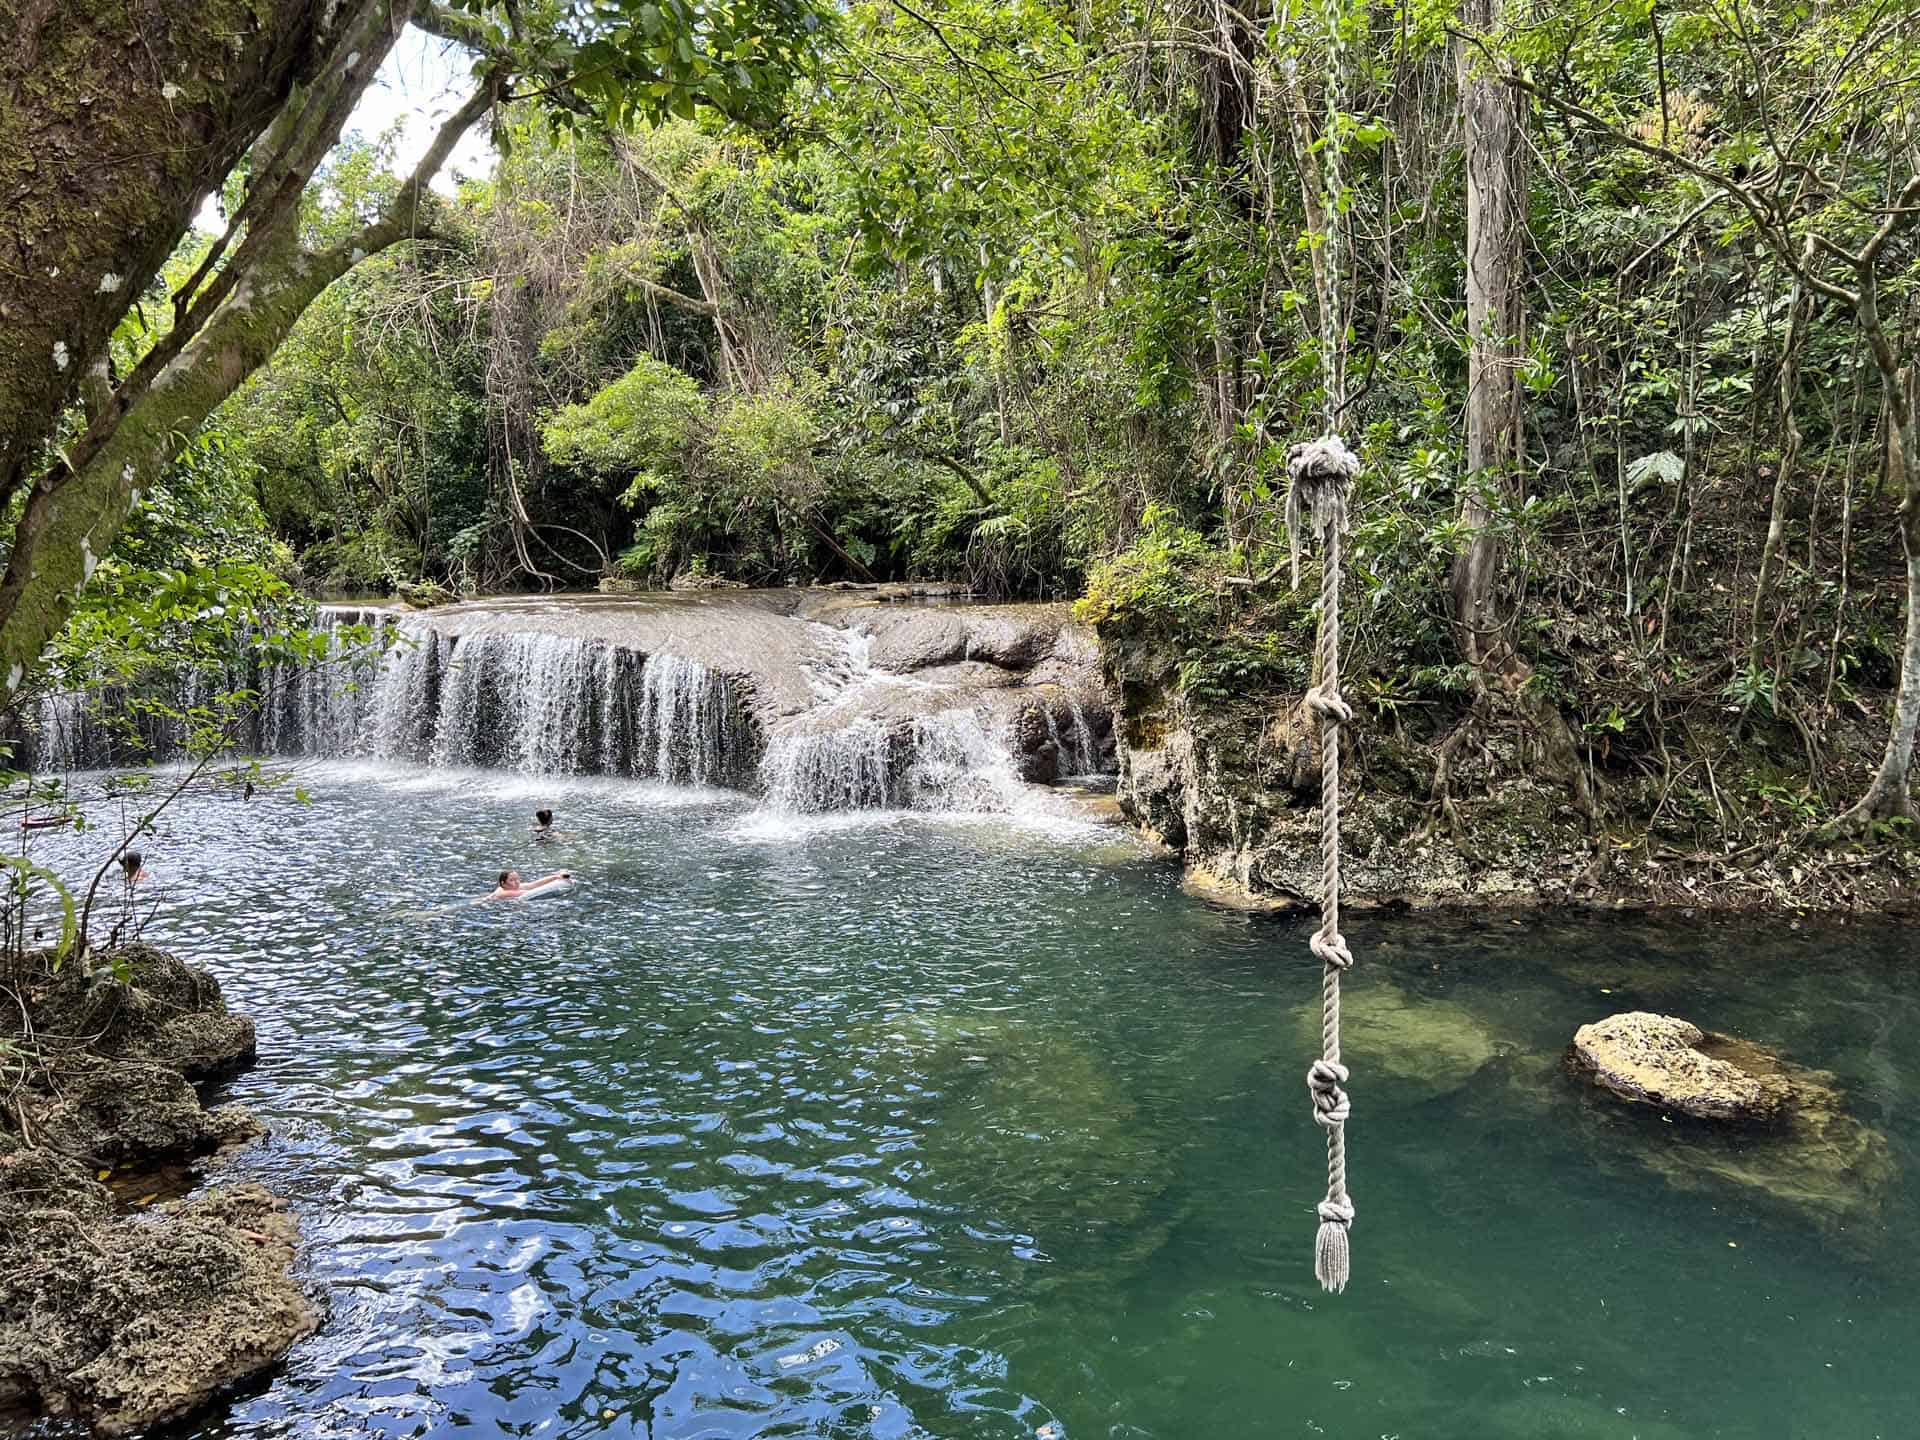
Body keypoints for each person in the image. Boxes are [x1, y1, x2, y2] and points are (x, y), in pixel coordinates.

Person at [481, 869, 571, 902]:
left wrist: (555, 877)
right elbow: (534, 891)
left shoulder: (512, 887)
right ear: (503, 883)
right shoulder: (505, 893)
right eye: (512, 880)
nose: (516, 882)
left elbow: (534, 884)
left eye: (517, 879)